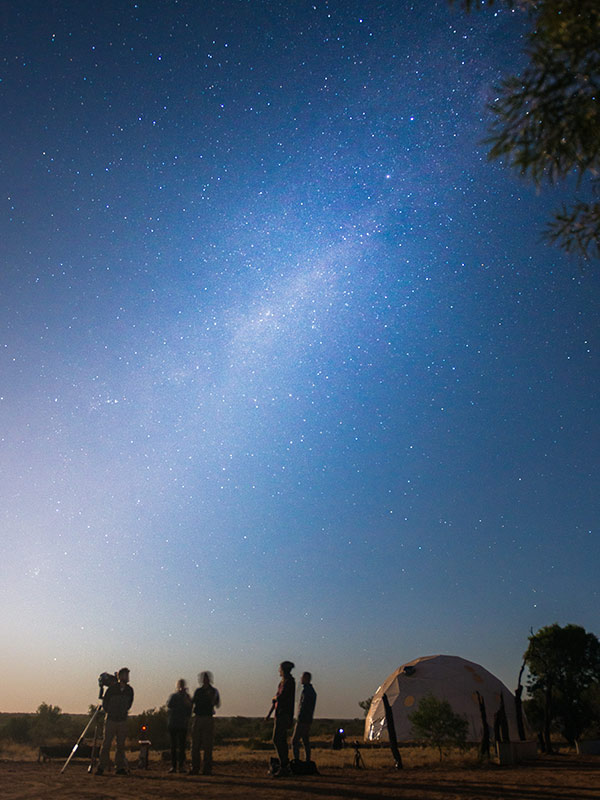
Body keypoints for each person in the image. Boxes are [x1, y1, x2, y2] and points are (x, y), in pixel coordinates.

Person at [96, 667, 134, 775]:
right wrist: (111, 712)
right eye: (125, 675)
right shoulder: (112, 689)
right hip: (111, 720)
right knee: (106, 744)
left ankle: (119, 767)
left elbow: (129, 704)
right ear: (120, 676)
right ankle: (101, 766)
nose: (127, 677)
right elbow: (105, 703)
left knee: (120, 746)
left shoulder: (129, 690)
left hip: (122, 720)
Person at [190, 671, 220, 775]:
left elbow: (217, 703)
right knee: (195, 745)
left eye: (206, 678)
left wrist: (211, 698)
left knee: (208, 745)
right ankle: (195, 767)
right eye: (203, 678)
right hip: (198, 717)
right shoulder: (198, 691)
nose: (204, 680)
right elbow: (192, 703)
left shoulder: (213, 691)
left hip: (208, 718)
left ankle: (207, 769)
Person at [269, 660, 295, 776]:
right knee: (281, 740)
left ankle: (284, 765)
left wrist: (275, 698)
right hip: (279, 714)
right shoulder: (283, 682)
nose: (279, 670)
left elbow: (281, 697)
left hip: (284, 714)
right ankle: (284, 765)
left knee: (277, 739)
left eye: (280, 668)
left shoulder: (289, 682)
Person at [166, 678, 192, 773]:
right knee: (173, 746)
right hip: (173, 723)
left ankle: (181, 766)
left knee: (182, 746)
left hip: (182, 724)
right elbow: (169, 705)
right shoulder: (173, 696)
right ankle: (173, 766)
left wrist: (185, 698)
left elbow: (190, 708)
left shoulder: (187, 697)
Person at [292, 671, 317, 763]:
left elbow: (304, 706)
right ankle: (307, 761)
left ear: (306, 678)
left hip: (302, 720)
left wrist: (299, 718)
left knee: (294, 741)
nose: (301, 679)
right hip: (307, 719)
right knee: (305, 740)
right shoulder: (311, 691)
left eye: (302, 677)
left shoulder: (307, 692)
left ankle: (297, 761)